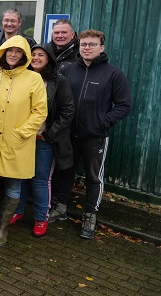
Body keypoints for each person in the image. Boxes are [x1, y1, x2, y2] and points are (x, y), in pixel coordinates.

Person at [52, 30, 131, 239]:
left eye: (92, 44)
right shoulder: (68, 70)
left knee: (93, 177)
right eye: (84, 44)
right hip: (68, 134)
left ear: (101, 47)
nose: (87, 47)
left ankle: (89, 215)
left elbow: (123, 105)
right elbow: (58, 98)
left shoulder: (113, 74)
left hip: (95, 136)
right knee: (64, 172)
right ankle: (60, 207)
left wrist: (102, 123)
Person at [0, 36, 48, 247]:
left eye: (18, 51)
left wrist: (22, 132)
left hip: (18, 143)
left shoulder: (34, 79)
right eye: (9, 50)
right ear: (3, 52)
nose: (13, 55)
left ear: (25, 55)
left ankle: (2, 227)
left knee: (13, 187)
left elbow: (40, 111)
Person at [10, 44, 74, 238]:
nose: (36, 58)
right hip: (23, 138)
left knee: (39, 180)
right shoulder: (22, 77)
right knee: (20, 177)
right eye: (33, 55)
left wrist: (48, 134)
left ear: (50, 59)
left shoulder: (58, 81)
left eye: (41, 55)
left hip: (44, 139)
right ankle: (18, 210)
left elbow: (67, 111)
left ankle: (40, 218)